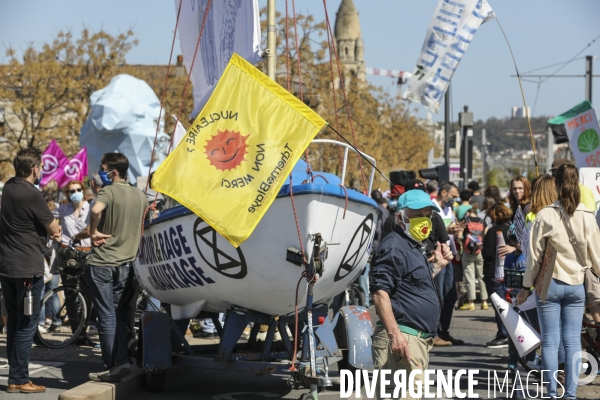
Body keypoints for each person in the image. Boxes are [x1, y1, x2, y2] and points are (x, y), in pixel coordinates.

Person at [517, 164, 600, 399]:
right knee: (573, 341)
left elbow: (534, 258)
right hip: (577, 284)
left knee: (550, 342)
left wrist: (525, 287)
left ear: (556, 184)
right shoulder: (587, 215)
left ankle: (552, 392)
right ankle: (571, 393)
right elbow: (597, 256)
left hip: (550, 284)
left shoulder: (545, 215)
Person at [371, 190, 453, 399]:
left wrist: (438, 265)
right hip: (403, 339)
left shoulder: (412, 246)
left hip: (415, 340)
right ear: (400, 217)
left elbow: (413, 283)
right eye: (417, 215)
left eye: (427, 215)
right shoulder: (393, 246)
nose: (423, 221)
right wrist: (395, 335)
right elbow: (380, 293)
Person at [0, 148, 61, 393]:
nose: (41, 171)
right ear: (34, 168)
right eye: (41, 167)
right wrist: (52, 231)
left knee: (14, 322)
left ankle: (16, 376)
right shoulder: (32, 194)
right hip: (27, 268)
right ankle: (19, 379)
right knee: (27, 324)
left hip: (7, 267)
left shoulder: (8, 188)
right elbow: (53, 226)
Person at [86, 153, 147, 383]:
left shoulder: (108, 191)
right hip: (127, 263)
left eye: (102, 168)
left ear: (112, 172)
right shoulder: (139, 194)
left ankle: (112, 365)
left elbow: (94, 210)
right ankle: (121, 360)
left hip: (103, 262)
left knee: (106, 317)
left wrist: (93, 233)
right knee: (119, 315)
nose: (100, 171)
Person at [50, 180, 94, 346]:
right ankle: (78, 334)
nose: (75, 193)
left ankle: (84, 329)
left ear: (83, 190)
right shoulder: (63, 209)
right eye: (71, 191)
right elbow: (46, 219)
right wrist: (55, 233)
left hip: (88, 254)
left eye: (78, 190)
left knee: (88, 295)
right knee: (70, 294)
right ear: (67, 194)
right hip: (68, 255)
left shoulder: (90, 207)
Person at [481, 203, 512, 349]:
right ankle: (509, 333)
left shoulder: (493, 231)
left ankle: (503, 334)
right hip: (510, 271)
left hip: (494, 272)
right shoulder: (512, 229)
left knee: (499, 305)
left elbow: (487, 253)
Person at [458, 208, 488, 310]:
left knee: (469, 276)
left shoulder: (464, 220)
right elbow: (486, 235)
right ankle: (484, 302)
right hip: (480, 250)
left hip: (468, 251)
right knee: (481, 276)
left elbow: (459, 234)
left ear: (468, 213)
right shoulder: (482, 221)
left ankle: (471, 303)